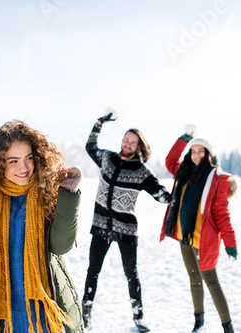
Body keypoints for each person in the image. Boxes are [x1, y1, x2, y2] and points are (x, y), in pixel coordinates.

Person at [0, 120, 84, 333]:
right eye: (13, 161)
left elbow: (60, 246)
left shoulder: (46, 190)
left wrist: (68, 193)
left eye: (28, 158)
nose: (23, 167)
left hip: (44, 313)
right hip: (0, 316)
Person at [82, 110, 171, 332]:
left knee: (131, 273)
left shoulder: (142, 171)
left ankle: (138, 317)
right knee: (93, 271)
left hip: (126, 230)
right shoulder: (107, 158)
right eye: (126, 139)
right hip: (101, 226)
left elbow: (160, 194)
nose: (127, 144)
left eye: (132, 142)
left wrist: (177, 197)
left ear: (139, 146)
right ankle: (85, 315)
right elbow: (90, 147)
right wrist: (98, 124)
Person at [160, 125, 238, 333]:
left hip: (204, 239)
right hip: (184, 235)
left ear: (209, 154)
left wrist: (230, 244)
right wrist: (185, 138)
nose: (196, 156)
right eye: (193, 151)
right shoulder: (183, 173)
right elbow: (170, 160)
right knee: (194, 278)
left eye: (200, 151)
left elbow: (222, 214)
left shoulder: (217, 179)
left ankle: (227, 326)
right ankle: (199, 322)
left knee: (211, 280)